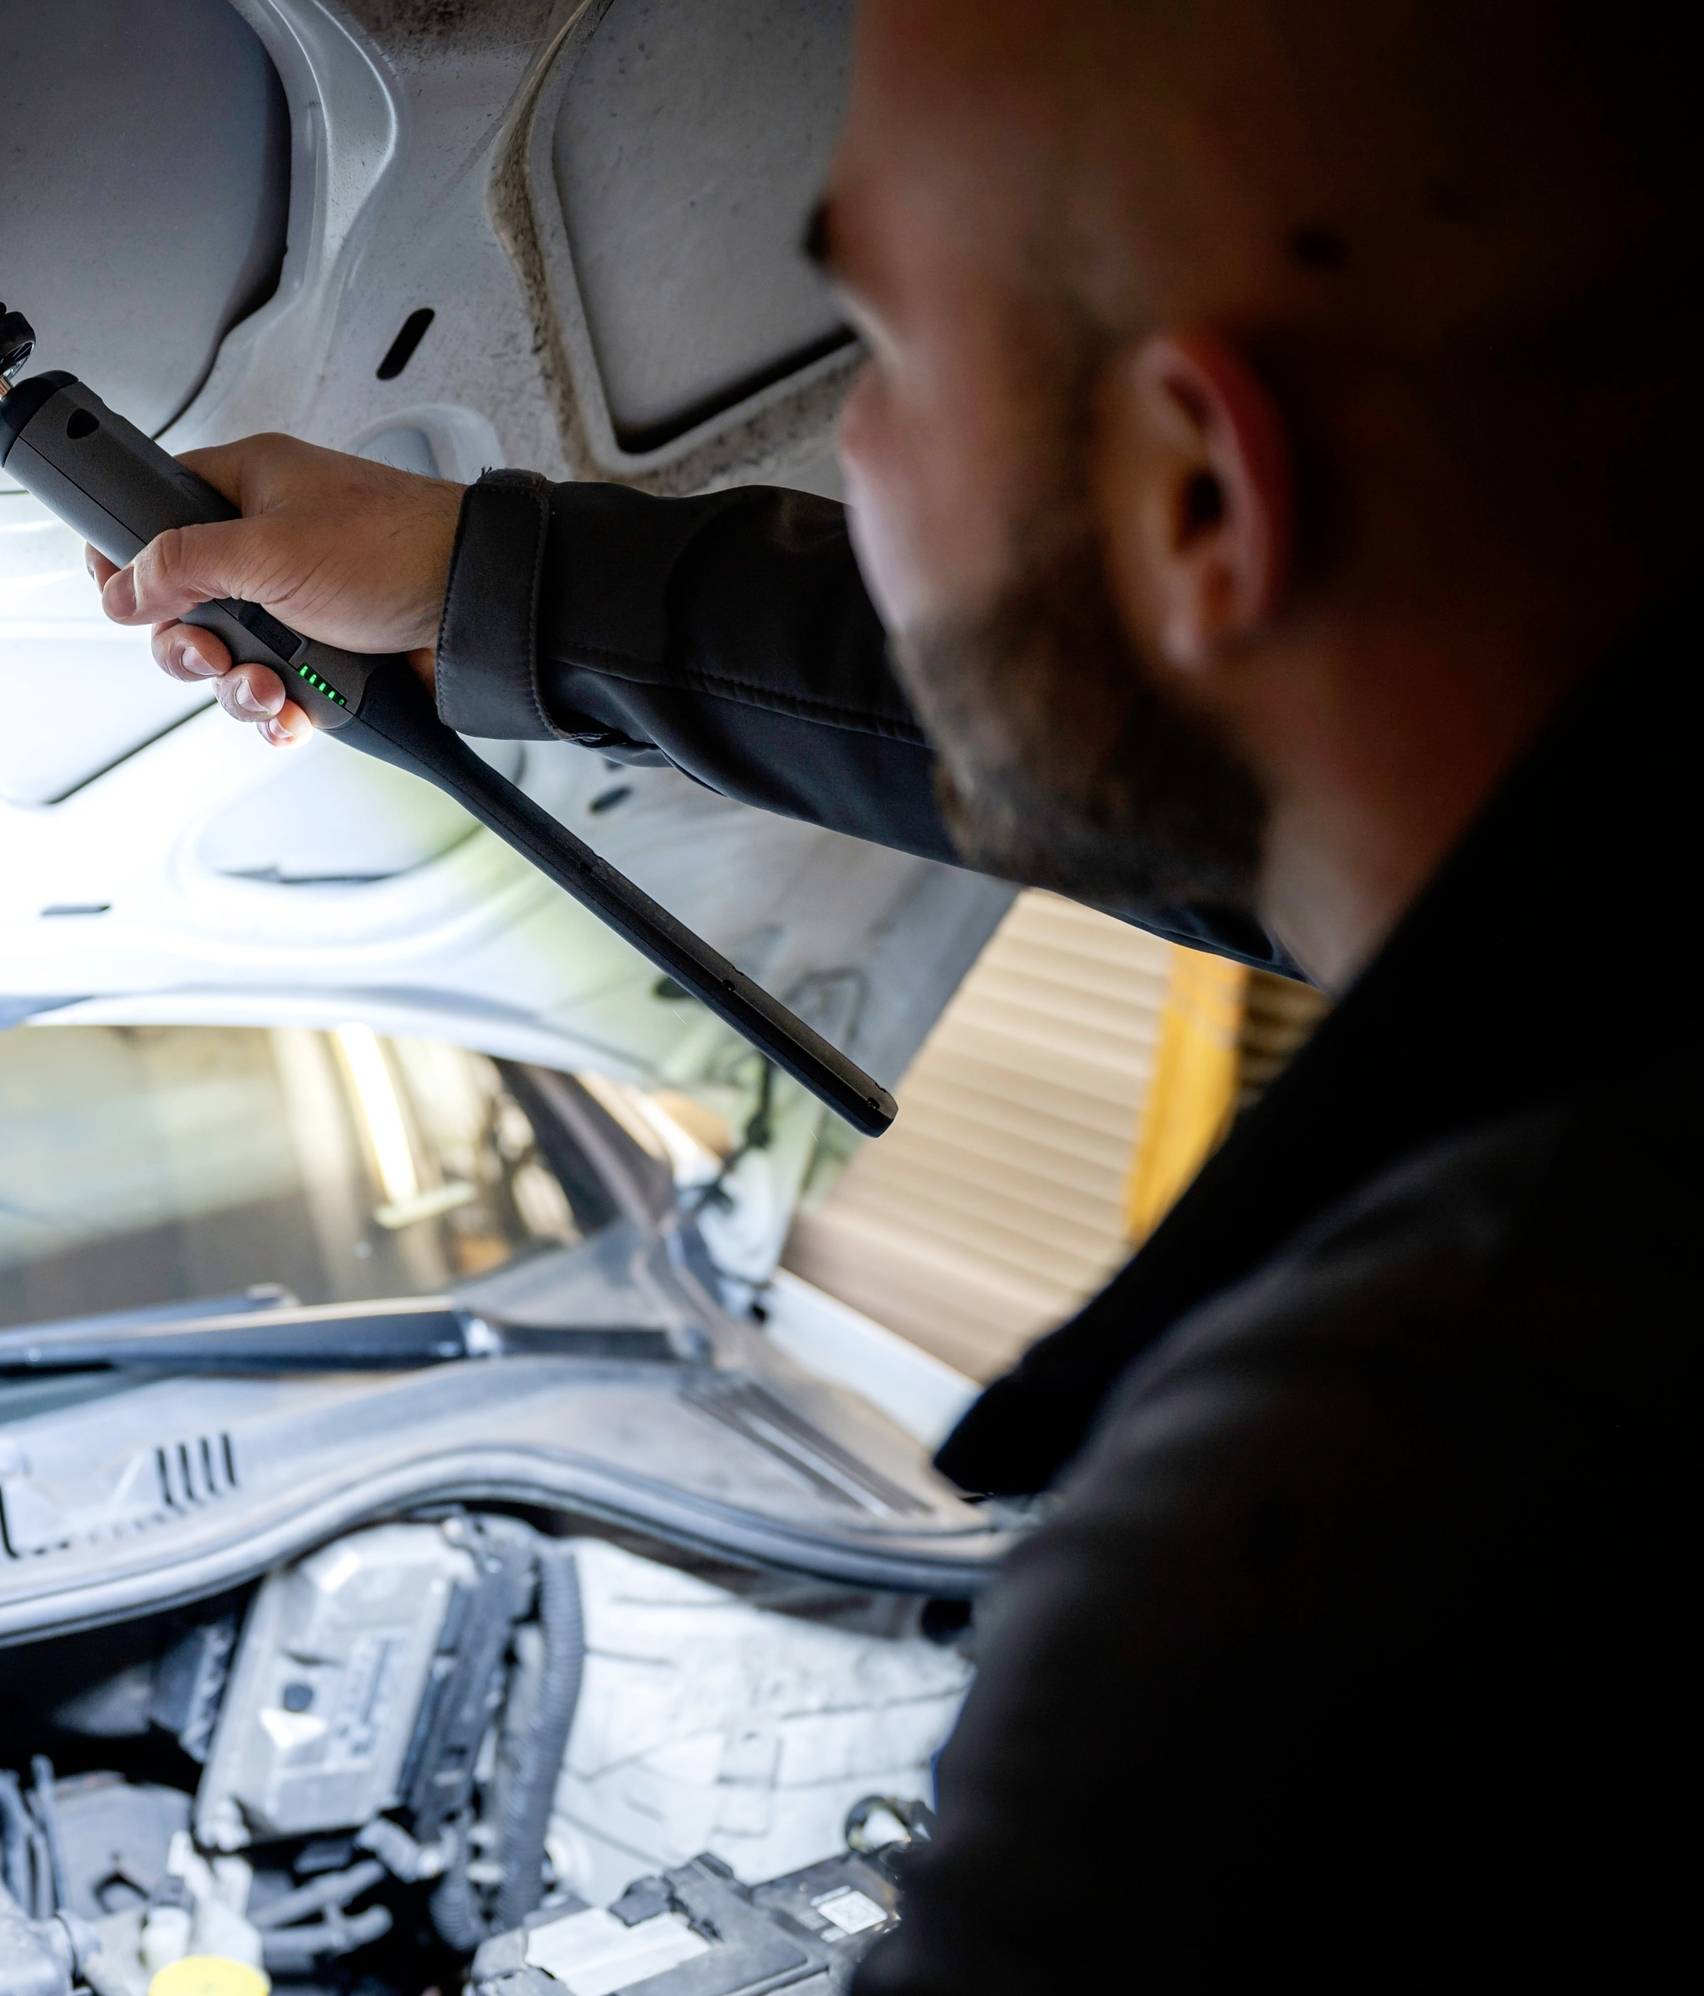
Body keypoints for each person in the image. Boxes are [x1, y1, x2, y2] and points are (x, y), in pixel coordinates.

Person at [89, 2, 1688, 1987]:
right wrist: (475, 578)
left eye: (896, 358)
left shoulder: (1313, 1584)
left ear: (1199, 502)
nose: (847, 443)